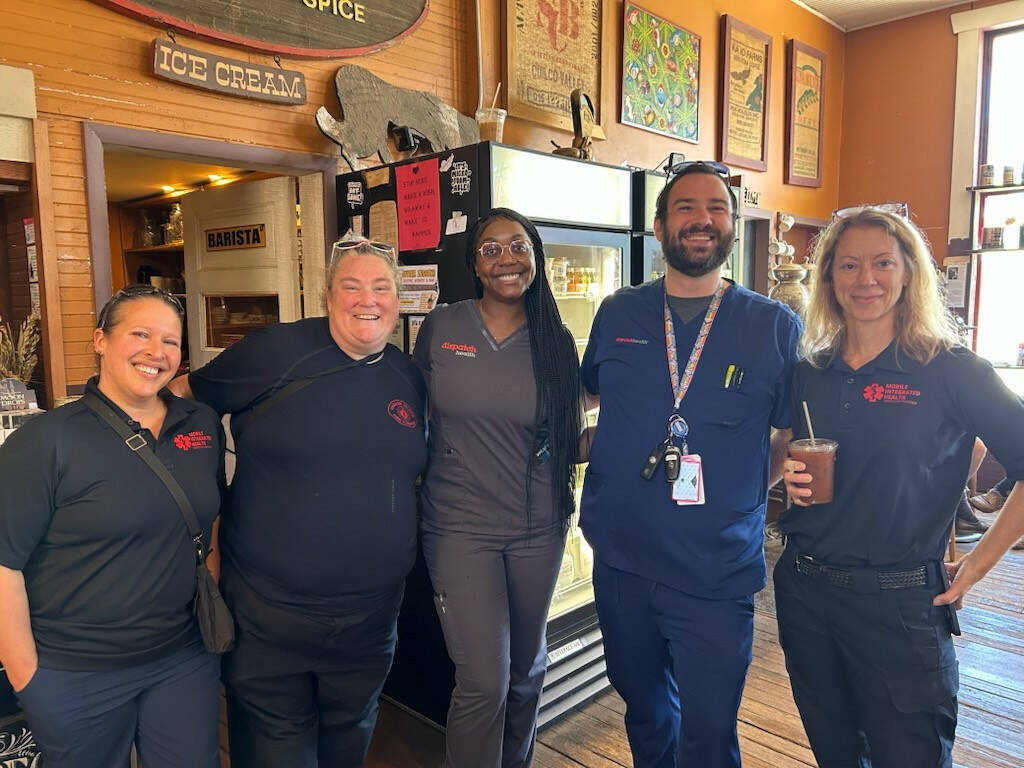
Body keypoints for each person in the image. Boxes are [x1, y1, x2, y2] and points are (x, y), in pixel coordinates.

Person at [778, 206, 1024, 767]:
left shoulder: (951, 369)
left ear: (909, 272)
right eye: (849, 266)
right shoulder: (810, 368)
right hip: (806, 592)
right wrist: (787, 473)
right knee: (835, 752)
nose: (866, 279)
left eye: (883, 263)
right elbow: (791, 453)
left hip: (903, 601)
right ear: (829, 279)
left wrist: (980, 564)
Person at [168, 240, 427, 768]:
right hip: (271, 614)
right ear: (327, 295)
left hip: (371, 617)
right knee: (274, 751)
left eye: (381, 287)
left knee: (350, 738)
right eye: (351, 286)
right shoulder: (274, 351)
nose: (367, 300)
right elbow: (180, 398)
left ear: (398, 299)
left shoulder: (409, 376)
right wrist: (202, 509)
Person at [579, 162, 801, 767]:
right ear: (659, 227)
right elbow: (587, 397)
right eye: (685, 208)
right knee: (645, 710)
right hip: (622, 563)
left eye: (716, 208)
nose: (702, 219)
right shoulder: (619, 312)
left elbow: (791, 434)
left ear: (730, 226)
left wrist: (744, 492)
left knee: (707, 730)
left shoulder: (773, 326)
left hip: (715, 571)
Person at [0, 285, 224, 768]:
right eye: (139, 333)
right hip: (77, 673)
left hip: (182, 660)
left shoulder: (200, 424)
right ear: (101, 340)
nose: (155, 352)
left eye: (170, 341)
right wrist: (31, 681)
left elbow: (211, 521)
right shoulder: (45, 442)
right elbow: (3, 566)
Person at [412, 208, 581, 767]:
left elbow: (569, 436)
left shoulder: (556, 342)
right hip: (460, 528)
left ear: (535, 256)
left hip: (539, 527)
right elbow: (406, 412)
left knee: (528, 671)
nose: (505, 257)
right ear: (475, 265)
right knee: (485, 680)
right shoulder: (443, 327)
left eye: (517, 246)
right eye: (490, 248)